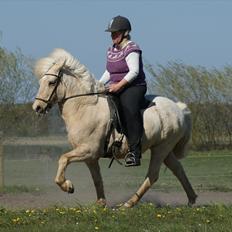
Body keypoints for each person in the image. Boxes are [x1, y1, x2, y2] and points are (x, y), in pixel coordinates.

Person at [100, 15, 147, 167]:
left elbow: (134, 72)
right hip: (116, 86)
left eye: (116, 33)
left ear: (125, 32)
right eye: (111, 33)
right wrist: (98, 85)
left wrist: (118, 86)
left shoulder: (132, 48)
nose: (113, 36)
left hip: (134, 86)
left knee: (128, 108)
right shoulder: (111, 50)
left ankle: (134, 152)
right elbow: (109, 72)